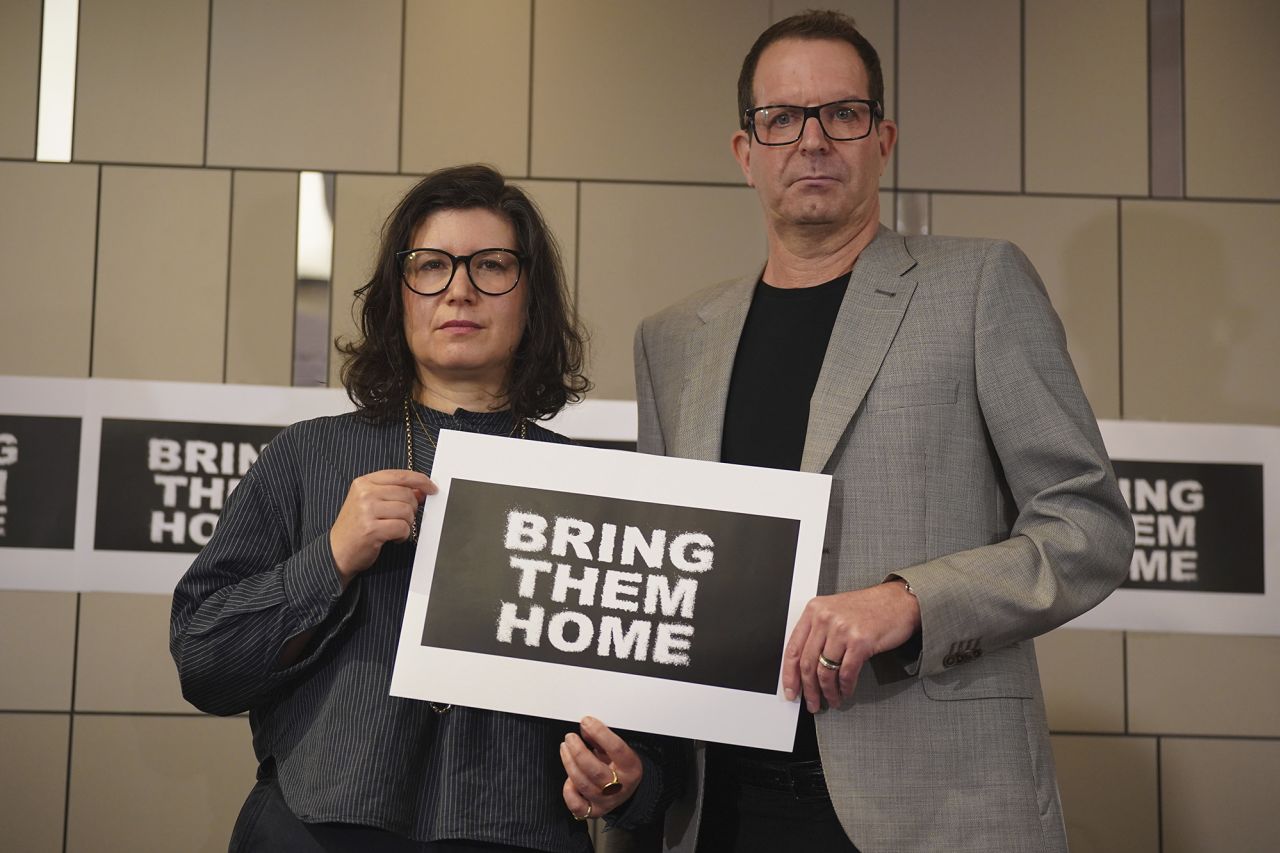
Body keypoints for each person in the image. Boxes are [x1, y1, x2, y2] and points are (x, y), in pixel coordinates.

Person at [634, 12, 1134, 853]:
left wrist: (909, 599)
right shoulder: (674, 339)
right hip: (722, 806)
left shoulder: (979, 286)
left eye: (843, 113)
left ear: (883, 136)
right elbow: (663, 578)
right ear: (744, 150)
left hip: (936, 805)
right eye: (781, 118)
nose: (813, 140)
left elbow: (1089, 527)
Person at [172, 165, 677, 852]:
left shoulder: (598, 487)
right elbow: (204, 663)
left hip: (521, 833)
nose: (459, 289)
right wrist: (330, 557)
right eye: (431, 266)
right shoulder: (307, 456)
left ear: (532, 298)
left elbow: (653, 747)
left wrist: (626, 780)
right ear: (397, 295)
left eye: (492, 265)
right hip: (317, 830)